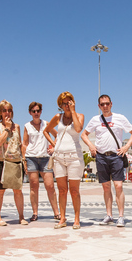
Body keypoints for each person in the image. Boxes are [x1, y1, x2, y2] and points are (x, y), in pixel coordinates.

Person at [81, 94, 132, 227]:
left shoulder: (120, 118)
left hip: (116, 156)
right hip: (101, 156)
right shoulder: (95, 119)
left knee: (118, 186)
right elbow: (84, 134)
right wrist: (91, 146)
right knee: (106, 187)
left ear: (111, 104)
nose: (105, 106)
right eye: (102, 104)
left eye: (107, 103)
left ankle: (121, 216)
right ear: (99, 106)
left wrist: (126, 146)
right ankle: (109, 215)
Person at [44, 92, 85, 229]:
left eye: (69, 102)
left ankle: (77, 219)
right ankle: (62, 218)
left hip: (75, 157)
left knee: (74, 190)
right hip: (59, 157)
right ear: (60, 105)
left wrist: (73, 111)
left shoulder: (79, 116)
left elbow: (78, 129)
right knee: (62, 190)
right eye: (64, 103)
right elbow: (46, 130)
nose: (66, 105)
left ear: (73, 102)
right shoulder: (58, 117)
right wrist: (54, 144)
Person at [0, 100, 27, 226]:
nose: (7, 113)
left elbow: (20, 144)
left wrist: (24, 160)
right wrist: (6, 128)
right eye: (4, 110)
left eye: (9, 110)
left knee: (18, 190)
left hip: (15, 161)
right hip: (1, 161)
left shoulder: (16, 126)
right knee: (0, 190)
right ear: (0, 112)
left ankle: (21, 216)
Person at [23, 101, 60, 222]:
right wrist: (24, 159)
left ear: (41, 112)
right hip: (31, 158)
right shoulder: (27, 126)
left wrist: (53, 147)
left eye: (38, 111)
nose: (36, 113)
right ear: (30, 113)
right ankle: (35, 212)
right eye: (33, 111)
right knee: (34, 186)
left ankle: (56, 212)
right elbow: (25, 144)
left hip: (45, 158)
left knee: (50, 186)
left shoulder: (46, 124)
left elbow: (57, 135)